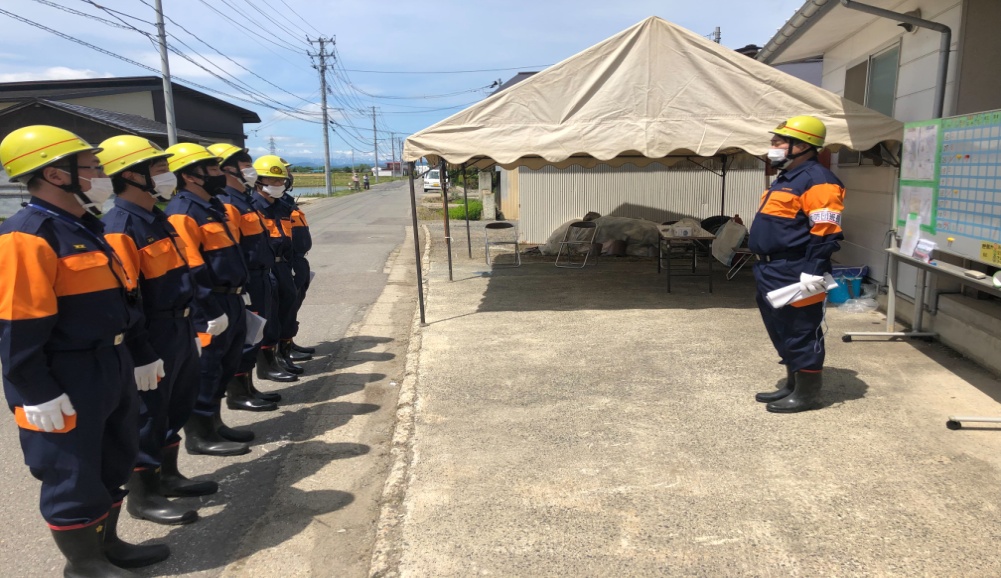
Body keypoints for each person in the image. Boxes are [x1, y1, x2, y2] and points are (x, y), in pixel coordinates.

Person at [0, 126, 170, 574]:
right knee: (71, 470)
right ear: (56, 175)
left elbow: (122, 299)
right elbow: (18, 324)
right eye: (92, 168)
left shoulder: (83, 226)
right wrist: (35, 389)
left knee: (114, 454)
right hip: (64, 372)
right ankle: (84, 564)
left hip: (109, 362)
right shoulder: (27, 235)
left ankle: (108, 544)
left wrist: (140, 350)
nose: (101, 175)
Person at [99, 135, 219, 526]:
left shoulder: (158, 219)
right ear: (132, 176)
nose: (168, 176)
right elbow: (127, 299)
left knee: (175, 406)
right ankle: (144, 495)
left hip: (179, 326)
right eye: (158, 168)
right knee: (148, 414)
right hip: (153, 333)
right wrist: (139, 351)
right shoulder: (120, 226)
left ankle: (168, 475)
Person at [748, 115, 845, 413]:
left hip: (796, 267)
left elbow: (826, 231)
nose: (773, 146)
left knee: (802, 328)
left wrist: (812, 272)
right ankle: (793, 384)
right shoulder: (788, 178)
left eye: (779, 141)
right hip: (770, 268)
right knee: (780, 327)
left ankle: (808, 394)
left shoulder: (820, 181)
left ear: (802, 145)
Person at [163, 143, 251, 455]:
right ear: (190, 176)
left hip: (231, 299)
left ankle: (215, 424)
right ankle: (200, 435)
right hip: (208, 303)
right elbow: (192, 268)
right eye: (212, 169)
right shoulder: (182, 213)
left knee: (225, 366)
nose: (219, 174)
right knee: (207, 368)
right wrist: (209, 309)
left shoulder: (212, 207)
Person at [209, 143, 293, 402]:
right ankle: (238, 392)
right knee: (244, 338)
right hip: (246, 280)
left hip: (261, 274)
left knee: (256, 332)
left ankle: (247, 387)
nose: (250, 171)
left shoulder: (242, 201)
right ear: (225, 170)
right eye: (245, 167)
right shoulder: (227, 204)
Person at [251, 155, 305, 377]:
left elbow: (289, 238)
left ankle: (282, 354)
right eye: (272, 181)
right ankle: (266, 364)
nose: (278, 185)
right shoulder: (253, 207)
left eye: (280, 181)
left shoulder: (282, 206)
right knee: (269, 316)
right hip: (266, 267)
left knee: (287, 308)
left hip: (283, 265)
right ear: (258, 182)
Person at [279, 158, 314, 362]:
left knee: (294, 304)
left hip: (299, 259)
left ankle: (289, 341)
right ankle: (280, 350)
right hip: (287, 260)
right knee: (286, 307)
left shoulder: (287, 199)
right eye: (285, 172)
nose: (288, 176)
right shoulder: (274, 203)